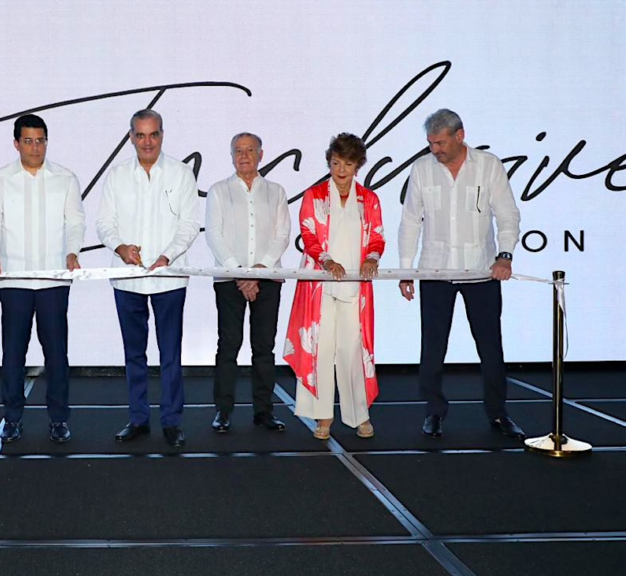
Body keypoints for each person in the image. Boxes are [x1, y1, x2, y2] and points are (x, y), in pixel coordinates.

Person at [397, 109, 525, 439]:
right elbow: (410, 220)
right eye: (430, 143)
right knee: (432, 347)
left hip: (481, 271)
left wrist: (505, 255)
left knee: (490, 347)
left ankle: (498, 413)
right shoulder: (422, 168)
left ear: (459, 136)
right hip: (435, 270)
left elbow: (507, 214)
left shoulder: (489, 165)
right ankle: (433, 411)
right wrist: (406, 270)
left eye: (440, 143)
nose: (435, 150)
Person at [96, 109, 201, 447]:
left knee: (170, 354)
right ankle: (138, 418)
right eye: (140, 135)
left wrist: (167, 256)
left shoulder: (181, 174)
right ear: (131, 137)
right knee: (134, 354)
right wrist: (120, 247)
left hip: (169, 278)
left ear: (162, 135)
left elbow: (189, 224)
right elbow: (104, 224)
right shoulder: (117, 176)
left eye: (153, 134)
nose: (147, 142)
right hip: (127, 279)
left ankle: (171, 421)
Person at [0, 114, 86, 444]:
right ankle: (12, 419)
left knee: (57, 354)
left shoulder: (65, 178)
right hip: (14, 280)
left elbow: (75, 222)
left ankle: (59, 419)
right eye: (28, 141)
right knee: (13, 353)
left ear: (46, 142)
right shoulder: (0, 179)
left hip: (54, 279)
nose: (35, 147)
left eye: (40, 140)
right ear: (16, 144)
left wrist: (72, 252)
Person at [284, 133, 384, 440]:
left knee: (352, 350)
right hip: (320, 285)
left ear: (358, 166)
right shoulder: (313, 196)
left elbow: (377, 236)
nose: (341, 170)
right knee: (321, 347)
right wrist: (327, 262)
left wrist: (372, 258)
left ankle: (360, 415)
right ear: (329, 162)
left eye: (348, 164)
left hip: (355, 286)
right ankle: (323, 416)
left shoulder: (369, 199)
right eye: (336, 162)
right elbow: (309, 235)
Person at [205, 132, 291, 433]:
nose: (244, 156)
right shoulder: (218, 191)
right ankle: (223, 411)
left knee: (264, 347)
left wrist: (259, 270)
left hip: (268, 279)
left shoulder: (276, 191)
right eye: (238, 151)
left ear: (261, 154)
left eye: (250, 150)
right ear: (231, 156)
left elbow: (282, 234)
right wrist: (241, 272)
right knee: (228, 345)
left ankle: (264, 412)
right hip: (229, 280)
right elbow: (214, 235)